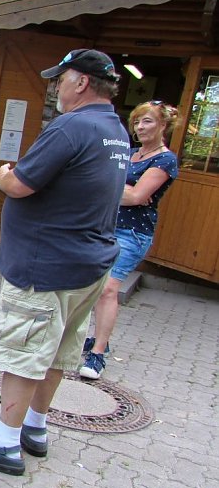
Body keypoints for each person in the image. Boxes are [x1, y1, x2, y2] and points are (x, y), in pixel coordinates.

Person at [0, 48, 130, 476]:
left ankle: (4, 444)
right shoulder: (115, 130)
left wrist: (0, 176)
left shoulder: (70, 127)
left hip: (46, 266)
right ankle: (35, 426)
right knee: (54, 351)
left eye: (61, 78)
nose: (55, 86)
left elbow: (21, 184)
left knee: (24, 351)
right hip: (87, 266)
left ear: (82, 82)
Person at [81, 100, 178, 380]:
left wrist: (115, 189)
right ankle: (101, 336)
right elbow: (102, 182)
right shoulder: (131, 153)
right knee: (95, 287)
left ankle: (97, 354)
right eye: (137, 122)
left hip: (132, 233)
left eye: (147, 121)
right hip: (105, 226)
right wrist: (119, 190)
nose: (140, 127)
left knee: (109, 289)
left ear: (162, 125)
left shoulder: (165, 159)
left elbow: (135, 197)